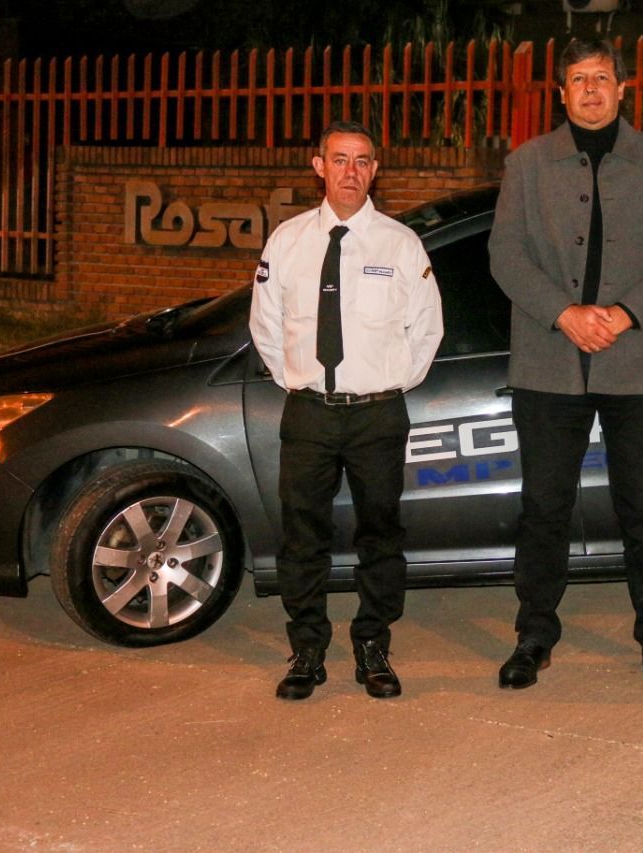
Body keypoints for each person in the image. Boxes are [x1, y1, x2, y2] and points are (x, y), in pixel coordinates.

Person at [487, 39, 643, 689]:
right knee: (545, 506)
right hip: (549, 365)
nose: (590, 89)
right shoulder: (528, 163)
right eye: (577, 79)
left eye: (601, 78)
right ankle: (534, 633)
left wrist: (625, 312)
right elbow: (506, 254)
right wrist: (565, 312)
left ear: (622, 88)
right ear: (560, 92)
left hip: (635, 364)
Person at [249, 120, 443, 700]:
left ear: (375, 170)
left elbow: (427, 328)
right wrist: (295, 381)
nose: (351, 172)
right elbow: (264, 322)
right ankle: (307, 650)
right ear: (319, 167)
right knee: (302, 537)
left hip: (377, 415)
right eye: (340, 160)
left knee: (380, 535)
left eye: (362, 161)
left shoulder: (400, 244)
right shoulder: (287, 241)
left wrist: (388, 384)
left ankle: (372, 645)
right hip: (308, 411)